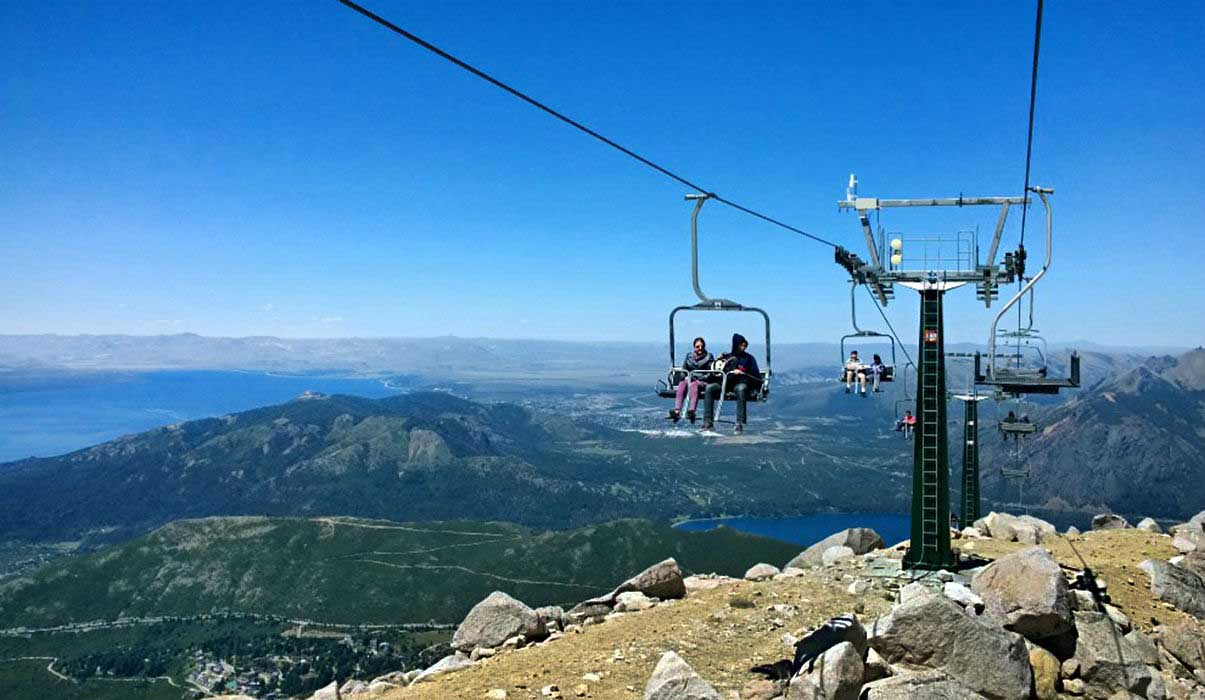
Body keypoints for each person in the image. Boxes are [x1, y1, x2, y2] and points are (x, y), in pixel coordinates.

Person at [702, 333, 761, 434]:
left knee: (741, 389)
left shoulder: (749, 359)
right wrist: (718, 361)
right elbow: (717, 372)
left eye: (745, 345)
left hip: (740, 382)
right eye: (741, 345)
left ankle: (739, 422)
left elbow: (755, 374)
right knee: (709, 388)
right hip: (725, 382)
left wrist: (742, 373)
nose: (743, 347)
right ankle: (708, 421)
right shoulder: (728, 358)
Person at [668, 337, 714, 424]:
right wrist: (684, 376)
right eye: (697, 347)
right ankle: (677, 410)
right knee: (682, 384)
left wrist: (699, 378)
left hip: (702, 380)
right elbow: (684, 369)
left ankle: (692, 410)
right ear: (694, 347)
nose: (700, 348)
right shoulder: (689, 356)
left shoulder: (709, 357)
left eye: (702, 346)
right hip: (690, 378)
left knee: (693, 384)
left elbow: (710, 373)